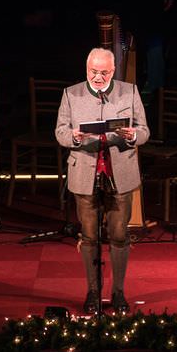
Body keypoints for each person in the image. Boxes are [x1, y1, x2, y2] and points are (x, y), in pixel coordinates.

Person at [55, 48, 150, 313]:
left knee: (119, 235)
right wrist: (73, 137)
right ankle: (93, 293)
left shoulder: (129, 91)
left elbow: (144, 131)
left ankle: (118, 293)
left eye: (104, 73)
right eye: (93, 72)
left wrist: (133, 135)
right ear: (86, 69)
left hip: (119, 174)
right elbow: (60, 132)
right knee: (89, 236)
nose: (98, 77)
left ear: (113, 71)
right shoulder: (71, 94)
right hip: (85, 174)